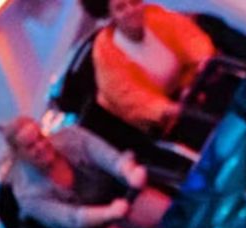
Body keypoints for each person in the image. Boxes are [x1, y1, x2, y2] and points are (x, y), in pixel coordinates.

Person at [0, 116, 167, 228]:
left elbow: (109, 158)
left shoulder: (72, 136)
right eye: (30, 146)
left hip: (119, 195)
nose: (40, 147)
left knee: (168, 214)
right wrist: (108, 212)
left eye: (40, 138)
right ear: (19, 154)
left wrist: (129, 171)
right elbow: (72, 218)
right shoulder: (27, 195)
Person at [79, 0, 216, 134]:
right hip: (166, 120)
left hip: (194, 86)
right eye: (121, 8)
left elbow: (191, 39)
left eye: (134, 2)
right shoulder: (104, 51)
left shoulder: (155, 14)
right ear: (110, 16)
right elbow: (128, 97)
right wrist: (165, 109)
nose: (131, 10)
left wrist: (203, 60)